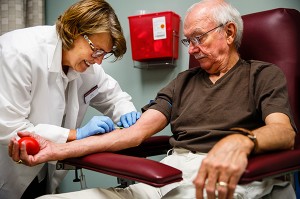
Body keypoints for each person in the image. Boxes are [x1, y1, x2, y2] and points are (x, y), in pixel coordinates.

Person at [9, 0, 297, 198]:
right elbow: (134, 133)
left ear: (229, 33)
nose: (192, 49)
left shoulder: (262, 75)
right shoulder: (183, 81)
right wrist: (54, 150)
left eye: (199, 38)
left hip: (226, 176)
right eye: (188, 41)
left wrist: (242, 141)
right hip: (170, 174)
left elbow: (284, 132)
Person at [0, 0, 141, 198]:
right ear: (74, 30)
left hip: (40, 172)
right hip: (7, 170)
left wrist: (127, 113)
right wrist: (76, 134)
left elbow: (115, 97)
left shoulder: (87, 68)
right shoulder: (18, 52)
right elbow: (9, 126)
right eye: (96, 50)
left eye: (104, 54)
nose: (98, 61)